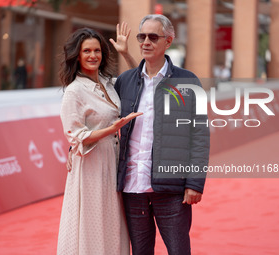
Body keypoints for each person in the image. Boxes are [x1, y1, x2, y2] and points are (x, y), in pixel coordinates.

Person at [114, 14, 210, 255]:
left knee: (179, 251)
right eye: (141, 36)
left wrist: (195, 182)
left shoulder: (187, 81)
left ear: (168, 41)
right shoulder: (125, 81)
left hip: (171, 190)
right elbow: (108, 123)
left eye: (153, 37)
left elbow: (199, 135)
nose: (146, 42)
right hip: (132, 188)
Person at [57, 26, 141, 255]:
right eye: (87, 51)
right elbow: (75, 136)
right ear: (77, 55)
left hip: (113, 160)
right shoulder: (74, 91)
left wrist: (125, 53)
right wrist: (111, 129)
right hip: (91, 165)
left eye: (97, 50)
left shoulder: (108, 82)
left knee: (113, 219)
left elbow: (141, 81)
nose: (93, 55)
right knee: (93, 220)